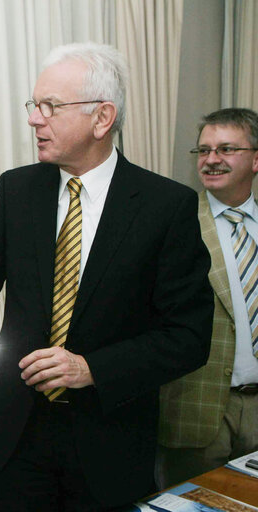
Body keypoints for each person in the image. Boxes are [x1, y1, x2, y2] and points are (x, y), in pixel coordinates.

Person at [0, 42, 213, 511]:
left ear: (102, 117)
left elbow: (189, 336)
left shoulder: (165, 206)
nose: (35, 118)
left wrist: (91, 368)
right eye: (34, 105)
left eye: (50, 107)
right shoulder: (18, 189)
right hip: (19, 435)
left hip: (109, 438)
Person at [158, 108, 258, 488]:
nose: (212, 159)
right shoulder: (173, 222)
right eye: (203, 151)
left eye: (226, 149)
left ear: (256, 159)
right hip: (196, 413)